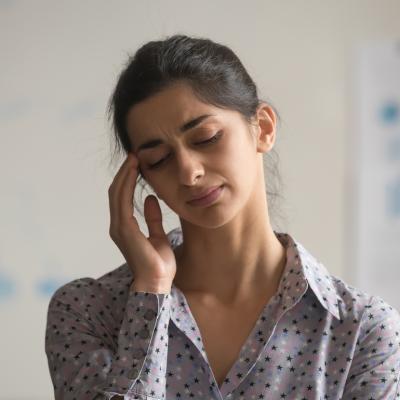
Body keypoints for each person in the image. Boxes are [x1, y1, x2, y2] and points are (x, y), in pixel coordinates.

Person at [45, 34, 400, 400]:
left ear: (262, 128)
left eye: (206, 137)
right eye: (158, 160)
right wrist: (150, 292)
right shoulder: (88, 313)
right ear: (140, 177)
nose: (188, 172)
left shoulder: (363, 331)